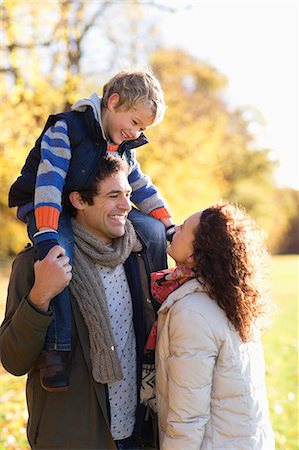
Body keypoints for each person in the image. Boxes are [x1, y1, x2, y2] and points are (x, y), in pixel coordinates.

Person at [8, 69, 175, 391]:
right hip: (45, 203)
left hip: (88, 202)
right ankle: (56, 348)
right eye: (136, 122)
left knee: (151, 230)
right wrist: (46, 234)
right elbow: (49, 180)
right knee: (61, 257)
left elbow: (139, 185)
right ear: (113, 102)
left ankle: (155, 301)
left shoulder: (121, 144)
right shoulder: (67, 128)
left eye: (142, 128)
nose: (136, 132)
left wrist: (168, 224)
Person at [0, 155, 159, 449]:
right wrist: (41, 295)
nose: (126, 206)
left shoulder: (140, 256)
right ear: (80, 200)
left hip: (139, 437)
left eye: (127, 195)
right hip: (72, 439)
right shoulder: (38, 263)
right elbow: (12, 359)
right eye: (113, 196)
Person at [150, 200, 275, 449]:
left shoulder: (192, 313)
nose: (174, 229)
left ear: (196, 253)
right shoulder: (232, 298)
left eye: (184, 228)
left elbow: (187, 417)